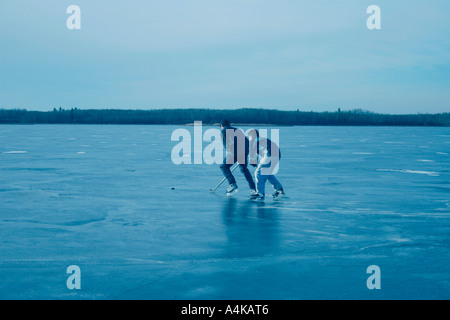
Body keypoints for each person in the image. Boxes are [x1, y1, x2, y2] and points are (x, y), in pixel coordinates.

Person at [219, 119, 257, 196]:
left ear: (221, 126)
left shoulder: (223, 131)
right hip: (245, 151)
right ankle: (253, 188)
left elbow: (226, 145)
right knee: (244, 169)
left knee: (223, 166)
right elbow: (247, 141)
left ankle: (232, 184)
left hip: (235, 151)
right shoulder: (238, 130)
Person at [247, 129, 285, 201]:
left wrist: (252, 162)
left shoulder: (254, 140)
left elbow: (252, 154)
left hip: (270, 155)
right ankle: (279, 189)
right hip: (276, 155)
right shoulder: (262, 139)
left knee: (258, 173)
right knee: (266, 173)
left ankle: (260, 194)